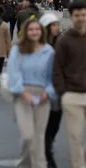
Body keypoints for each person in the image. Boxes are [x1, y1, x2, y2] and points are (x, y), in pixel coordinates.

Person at [7, 18, 56, 168]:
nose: (34, 32)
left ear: (42, 32)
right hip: (22, 94)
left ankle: (38, 165)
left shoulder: (49, 51)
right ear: (25, 32)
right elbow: (13, 73)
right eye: (31, 29)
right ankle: (24, 163)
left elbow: (53, 75)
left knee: (39, 136)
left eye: (37, 29)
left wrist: (48, 92)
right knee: (28, 135)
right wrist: (23, 92)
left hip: (43, 95)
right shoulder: (18, 50)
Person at [53, 0, 86, 168]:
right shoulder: (64, 40)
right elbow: (57, 68)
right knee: (75, 137)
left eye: (83, 15)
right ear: (71, 17)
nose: (80, 18)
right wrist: (62, 92)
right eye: (77, 15)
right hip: (72, 95)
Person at [39, 13, 62, 168]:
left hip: (58, 90)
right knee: (44, 126)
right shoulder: (38, 45)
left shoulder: (61, 42)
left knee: (55, 123)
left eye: (56, 25)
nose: (55, 28)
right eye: (51, 26)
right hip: (41, 90)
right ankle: (47, 155)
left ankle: (49, 144)